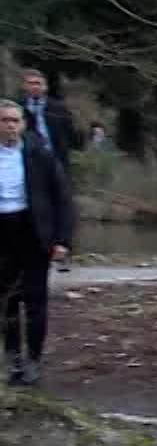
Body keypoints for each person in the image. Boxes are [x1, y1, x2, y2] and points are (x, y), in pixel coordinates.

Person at [0, 101, 74, 387]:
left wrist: (62, 240)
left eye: (15, 120)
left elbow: (62, 199)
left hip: (32, 231)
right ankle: (13, 359)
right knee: (6, 301)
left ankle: (33, 359)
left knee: (35, 301)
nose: (10, 125)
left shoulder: (38, 155)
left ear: (23, 124)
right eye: (4, 120)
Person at [17, 70, 76, 169]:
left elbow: (70, 134)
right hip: (27, 161)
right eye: (31, 83)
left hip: (55, 160)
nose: (35, 87)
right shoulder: (17, 108)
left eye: (38, 83)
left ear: (45, 87)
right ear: (24, 86)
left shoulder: (59, 109)